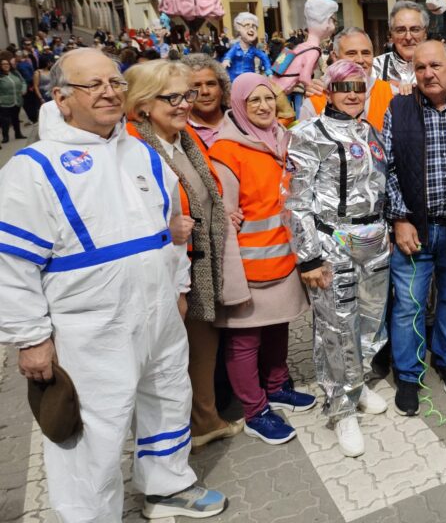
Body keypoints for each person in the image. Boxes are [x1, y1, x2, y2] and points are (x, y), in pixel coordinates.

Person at [0, 49, 226, 520]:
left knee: (168, 397)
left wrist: (179, 288)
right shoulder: (32, 168)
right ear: (61, 98)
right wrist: (30, 338)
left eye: (115, 83)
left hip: (158, 309)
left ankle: (166, 486)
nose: (108, 92)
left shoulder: (141, 153)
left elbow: (170, 227)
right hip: (91, 325)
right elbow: (13, 265)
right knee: (96, 427)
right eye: (93, 85)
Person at [124, 60, 241, 449]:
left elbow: (201, 193)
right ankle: (180, 434)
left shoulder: (182, 137)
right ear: (143, 104)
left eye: (186, 95)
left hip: (197, 265)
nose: (185, 104)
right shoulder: (133, 149)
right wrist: (163, 229)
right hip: (167, 273)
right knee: (174, 357)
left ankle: (204, 419)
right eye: (171, 97)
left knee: (202, 346)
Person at [287, 60, 391, 457]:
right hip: (334, 241)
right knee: (337, 327)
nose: (352, 95)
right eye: (343, 87)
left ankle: (358, 385)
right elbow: (296, 202)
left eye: (359, 87)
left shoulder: (370, 131)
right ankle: (341, 407)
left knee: (371, 323)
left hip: (374, 238)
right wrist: (309, 257)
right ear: (328, 91)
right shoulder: (308, 134)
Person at [208, 74, 313, 446]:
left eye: (269, 98)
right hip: (249, 265)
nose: (264, 106)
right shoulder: (227, 151)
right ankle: (255, 411)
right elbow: (224, 215)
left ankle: (277, 386)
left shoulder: (282, 139)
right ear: (238, 106)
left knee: (277, 327)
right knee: (244, 341)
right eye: (254, 101)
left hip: (283, 258)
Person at [384, 40, 446, 416]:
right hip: (415, 227)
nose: (428, 74)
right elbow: (387, 166)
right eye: (420, 67)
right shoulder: (399, 107)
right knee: (408, 303)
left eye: (435, 66)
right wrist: (399, 218)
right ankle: (408, 374)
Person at [299, 27, 394, 130]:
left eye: (366, 53)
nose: (360, 60)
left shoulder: (391, 93)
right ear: (335, 57)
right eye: (351, 53)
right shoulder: (316, 99)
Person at [272, 0, 336, 113]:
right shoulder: (314, 50)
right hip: (280, 91)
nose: (333, 25)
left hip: (274, 86)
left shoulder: (302, 46)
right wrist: (316, 87)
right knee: (288, 116)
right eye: (333, 20)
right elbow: (304, 76)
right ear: (327, 22)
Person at [372, 1, 429, 88]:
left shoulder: (441, 65)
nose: (408, 37)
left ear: (425, 33)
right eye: (401, 30)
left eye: (415, 29)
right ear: (391, 35)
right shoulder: (375, 67)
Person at [183, 54, 231, 147]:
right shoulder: (177, 132)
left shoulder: (241, 121)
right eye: (196, 86)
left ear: (222, 88)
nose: (205, 91)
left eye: (211, 84)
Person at [222, 12, 273, 81]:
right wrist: (227, 60)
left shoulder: (253, 49)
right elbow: (229, 54)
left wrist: (269, 71)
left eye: (254, 27)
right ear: (238, 27)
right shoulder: (235, 48)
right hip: (235, 79)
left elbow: (264, 57)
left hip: (250, 79)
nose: (251, 30)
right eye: (247, 26)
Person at [0, 57, 27, 143]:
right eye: (3, 64)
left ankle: (18, 134)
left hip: (17, 101)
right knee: (5, 121)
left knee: (16, 118)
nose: (6, 65)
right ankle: (5, 136)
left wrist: (23, 89)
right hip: (4, 103)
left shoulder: (15, 73)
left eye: (7, 64)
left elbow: (23, 82)